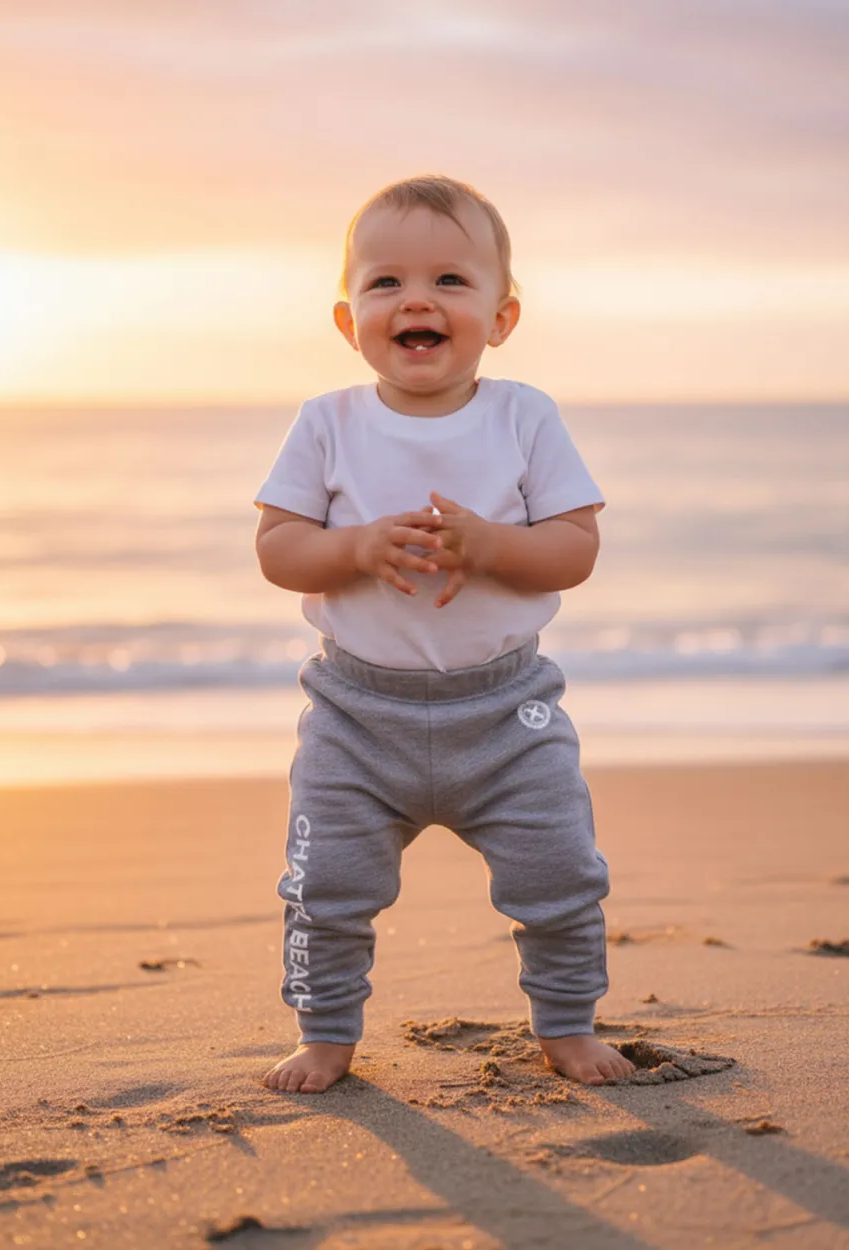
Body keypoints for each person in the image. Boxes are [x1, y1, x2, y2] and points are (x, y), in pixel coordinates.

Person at [254, 174, 634, 1094]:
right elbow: (277, 548)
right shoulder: (328, 423)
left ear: (501, 316)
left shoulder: (524, 416)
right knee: (325, 886)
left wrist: (494, 544)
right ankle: (328, 1032)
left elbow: (576, 549)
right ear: (350, 322)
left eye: (449, 283)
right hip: (355, 715)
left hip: (509, 712)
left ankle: (569, 1023)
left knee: (561, 872)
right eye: (385, 283)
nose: (416, 300)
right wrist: (353, 547)